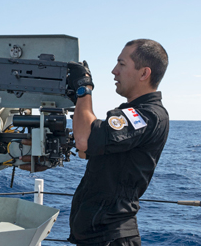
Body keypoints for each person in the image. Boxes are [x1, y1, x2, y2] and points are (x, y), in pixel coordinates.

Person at [67, 39, 170, 246]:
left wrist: (84, 88)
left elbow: (84, 140)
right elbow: (84, 150)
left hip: (111, 237)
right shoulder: (133, 113)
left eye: (121, 64)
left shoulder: (146, 115)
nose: (114, 71)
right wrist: (78, 97)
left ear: (144, 73)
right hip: (97, 235)